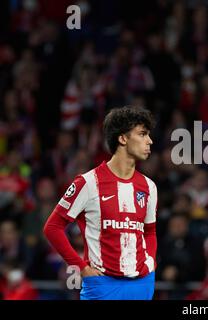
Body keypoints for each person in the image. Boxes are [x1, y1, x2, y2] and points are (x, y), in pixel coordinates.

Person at [43, 106, 158, 300]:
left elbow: (150, 231)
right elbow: (52, 227)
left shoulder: (149, 186)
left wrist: (150, 263)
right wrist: (82, 268)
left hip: (142, 283)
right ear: (123, 139)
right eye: (142, 134)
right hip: (103, 285)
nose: (150, 141)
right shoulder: (87, 183)